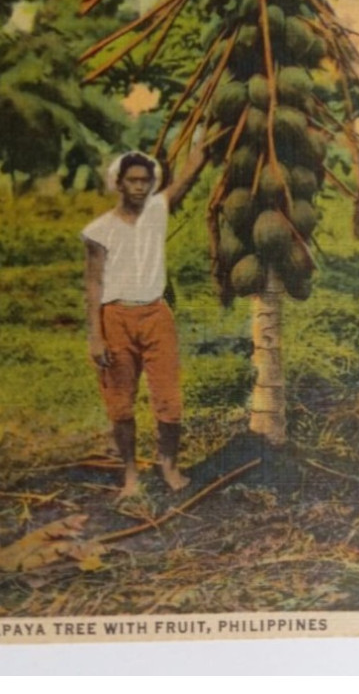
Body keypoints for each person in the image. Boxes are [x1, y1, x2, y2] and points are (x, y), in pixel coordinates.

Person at [81, 142, 206, 499]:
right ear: (118, 184)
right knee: (120, 403)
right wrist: (96, 336)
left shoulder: (158, 210)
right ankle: (131, 474)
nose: (139, 187)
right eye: (132, 181)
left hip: (156, 314)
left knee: (169, 400)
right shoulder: (98, 230)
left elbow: (188, 175)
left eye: (145, 181)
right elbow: (93, 284)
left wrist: (201, 143)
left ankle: (168, 464)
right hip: (115, 318)